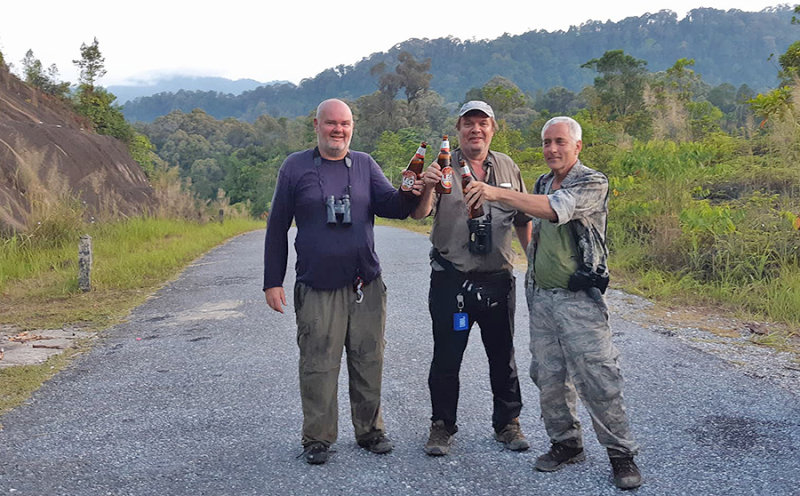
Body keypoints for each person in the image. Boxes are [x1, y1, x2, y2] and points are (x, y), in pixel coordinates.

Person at [463, 116, 642, 490]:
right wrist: (532, 259)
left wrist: (495, 192)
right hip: (542, 297)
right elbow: (532, 218)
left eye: (560, 142)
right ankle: (565, 443)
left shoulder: (592, 181)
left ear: (577, 146)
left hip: (579, 299)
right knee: (548, 375)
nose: (552, 149)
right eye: (546, 142)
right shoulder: (544, 180)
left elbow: (555, 209)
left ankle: (620, 454)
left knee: (598, 376)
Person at [263, 98, 422, 465]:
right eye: (331, 123)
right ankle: (317, 438)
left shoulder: (364, 164)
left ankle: (370, 431)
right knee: (319, 364)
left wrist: (413, 188)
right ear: (316, 124)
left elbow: (395, 208)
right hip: (317, 286)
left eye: (345, 124)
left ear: (352, 127)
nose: (339, 130)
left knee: (369, 359)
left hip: (365, 284)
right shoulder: (295, 167)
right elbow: (277, 227)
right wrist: (273, 281)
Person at [411, 101, 533, 456]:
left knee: (503, 355)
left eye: (483, 123)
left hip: (498, 277)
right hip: (452, 278)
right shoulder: (442, 165)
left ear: (493, 128)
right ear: (459, 129)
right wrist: (428, 186)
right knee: (447, 357)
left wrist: (534, 264)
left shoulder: (507, 165)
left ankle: (508, 424)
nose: (475, 129)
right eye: (468, 124)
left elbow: (523, 218)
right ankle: (441, 426)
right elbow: (419, 214)